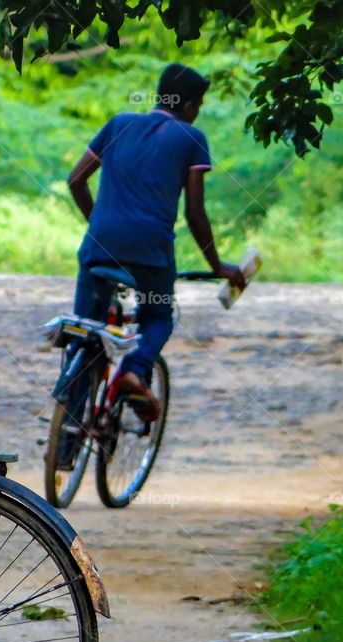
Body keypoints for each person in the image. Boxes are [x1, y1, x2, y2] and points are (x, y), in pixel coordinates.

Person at [63, 62, 246, 425]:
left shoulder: (118, 124)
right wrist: (218, 267)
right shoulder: (191, 139)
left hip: (100, 244)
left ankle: (65, 440)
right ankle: (136, 366)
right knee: (159, 316)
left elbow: (75, 180)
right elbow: (195, 213)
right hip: (151, 253)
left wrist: (100, 223)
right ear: (191, 106)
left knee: (85, 330)